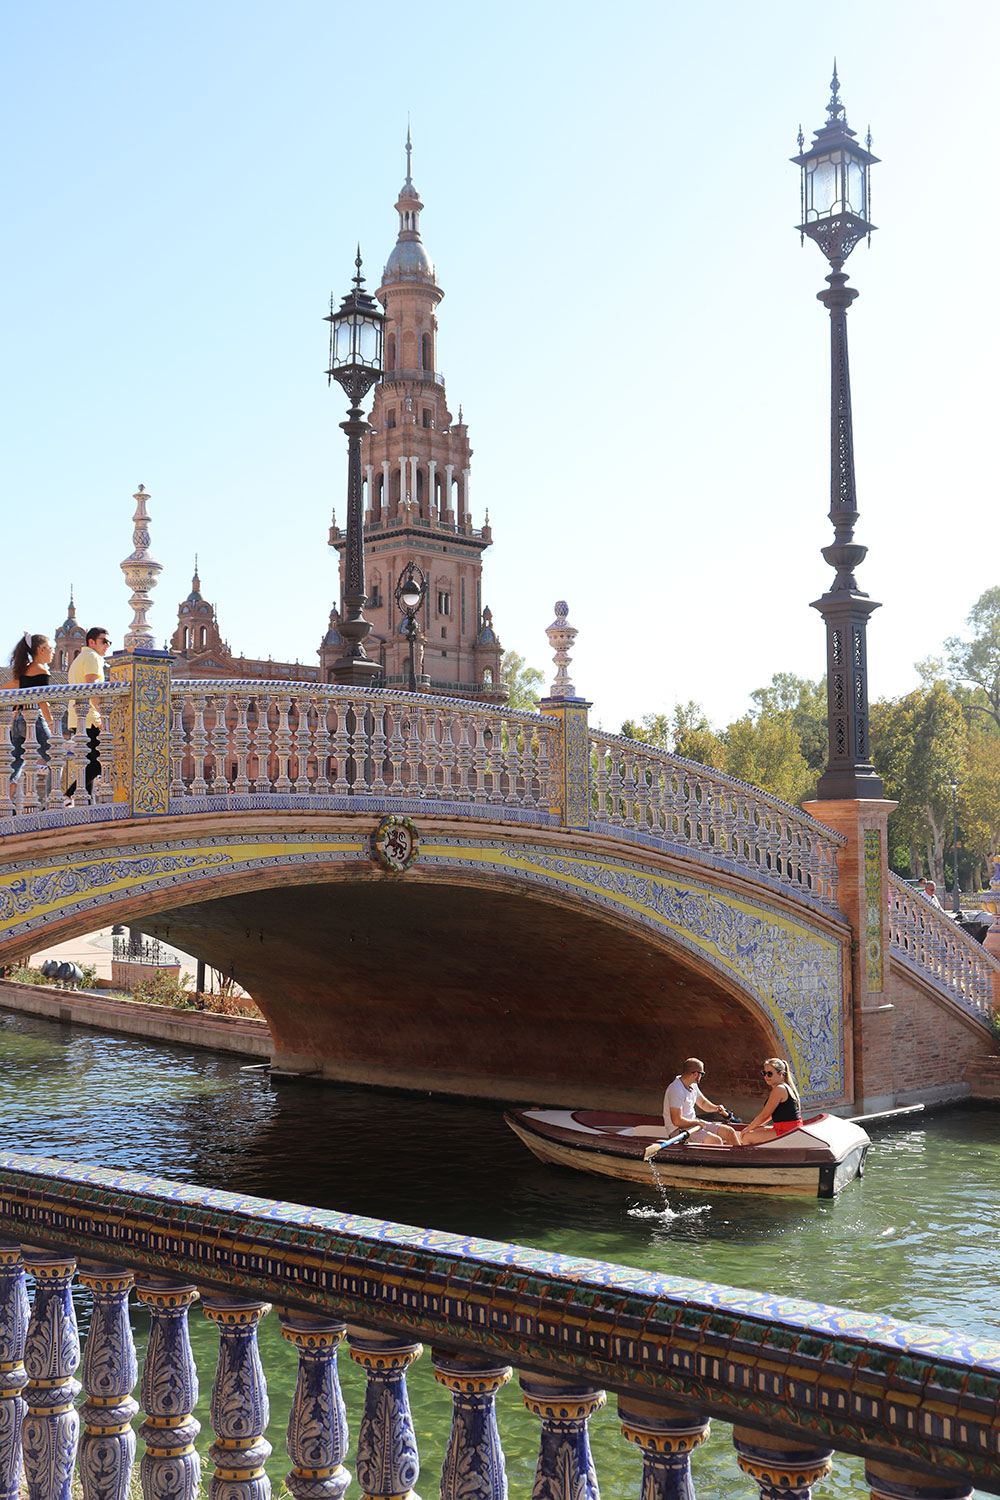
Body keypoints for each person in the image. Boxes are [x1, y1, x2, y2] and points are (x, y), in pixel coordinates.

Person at [66, 627, 112, 799]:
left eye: (109, 642)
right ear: (91, 642)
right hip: (89, 718)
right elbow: (91, 687)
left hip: (76, 717)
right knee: (101, 760)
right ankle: (68, 796)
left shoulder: (79, 659)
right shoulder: (93, 657)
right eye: (104, 641)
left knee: (88, 762)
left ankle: (85, 803)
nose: (107, 645)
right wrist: (103, 716)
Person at [6, 632, 54, 785]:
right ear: (41, 649)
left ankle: (3, 802)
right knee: (54, 760)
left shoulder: (24, 670)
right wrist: (52, 723)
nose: (52, 651)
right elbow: (42, 701)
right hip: (34, 719)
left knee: (14, 765)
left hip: (18, 720)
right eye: (50, 648)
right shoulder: (41, 670)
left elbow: (6, 688)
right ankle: (52, 802)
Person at [661, 1057, 741, 1146]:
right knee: (716, 1141)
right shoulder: (676, 1089)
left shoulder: (692, 1085)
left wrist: (716, 1108)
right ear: (695, 1074)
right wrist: (696, 1122)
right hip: (678, 1130)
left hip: (694, 1123)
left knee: (729, 1132)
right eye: (702, 1074)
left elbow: (703, 1104)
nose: (702, 1076)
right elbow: (677, 1121)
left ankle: (742, 1159)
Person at [739, 1058, 802, 1145]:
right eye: (764, 1073)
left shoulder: (779, 1089)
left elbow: (765, 1114)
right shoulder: (783, 1087)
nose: (766, 1077)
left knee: (746, 1136)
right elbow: (770, 1115)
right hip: (787, 1129)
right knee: (753, 1131)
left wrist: (747, 1128)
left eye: (769, 1074)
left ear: (780, 1073)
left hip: (787, 1131)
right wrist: (753, 1127)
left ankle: (754, 1158)